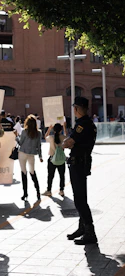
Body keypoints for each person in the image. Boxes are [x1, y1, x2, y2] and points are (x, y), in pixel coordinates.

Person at [62, 96, 97, 245]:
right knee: (81, 197)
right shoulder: (89, 123)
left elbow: (69, 143)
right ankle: (82, 228)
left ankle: (90, 232)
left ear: (76, 109)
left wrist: (63, 142)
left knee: (80, 199)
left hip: (79, 163)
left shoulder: (82, 125)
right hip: (82, 162)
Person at [15, 114, 43, 201]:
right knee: (32, 172)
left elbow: (20, 143)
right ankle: (38, 192)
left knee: (23, 172)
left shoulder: (24, 131)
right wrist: (40, 156)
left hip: (22, 153)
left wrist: (16, 137)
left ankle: (25, 194)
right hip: (32, 154)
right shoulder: (38, 133)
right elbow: (39, 145)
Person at [42, 123, 66, 197]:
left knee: (50, 175)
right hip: (61, 159)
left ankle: (49, 190)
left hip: (52, 158)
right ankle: (61, 190)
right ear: (60, 130)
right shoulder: (63, 137)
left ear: (54, 130)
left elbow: (45, 137)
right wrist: (64, 127)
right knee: (62, 175)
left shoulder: (51, 137)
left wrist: (49, 129)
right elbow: (67, 136)